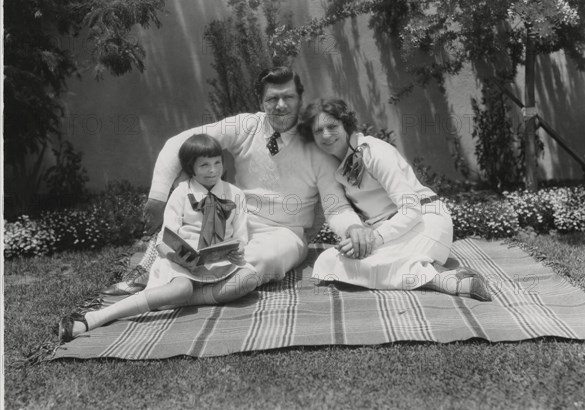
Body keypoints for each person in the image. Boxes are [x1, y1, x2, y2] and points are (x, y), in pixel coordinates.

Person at [102, 67, 373, 298]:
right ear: (261, 102)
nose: (281, 105)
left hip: (285, 233)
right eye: (272, 99)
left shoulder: (315, 144)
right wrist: (158, 197)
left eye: (288, 97)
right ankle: (161, 266)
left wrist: (352, 228)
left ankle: (183, 290)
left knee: (263, 260)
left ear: (300, 98)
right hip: (233, 221)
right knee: (190, 179)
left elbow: (335, 206)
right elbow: (179, 144)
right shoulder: (246, 126)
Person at [58, 134, 250, 341]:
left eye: (217, 163)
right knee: (182, 286)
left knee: (249, 279)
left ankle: (172, 299)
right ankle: (93, 318)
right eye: (204, 165)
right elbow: (163, 242)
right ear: (191, 168)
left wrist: (237, 254)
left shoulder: (235, 194)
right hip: (181, 264)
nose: (213, 170)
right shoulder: (181, 193)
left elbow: (240, 238)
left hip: (218, 265)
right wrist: (179, 258)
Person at [297, 98, 492, 301]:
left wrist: (374, 238)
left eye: (332, 126)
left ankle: (449, 282)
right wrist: (355, 231)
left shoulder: (374, 152)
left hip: (425, 222)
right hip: (387, 232)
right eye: (318, 130)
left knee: (370, 265)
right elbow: (337, 208)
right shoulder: (326, 164)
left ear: (345, 124)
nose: (326, 135)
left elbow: (411, 210)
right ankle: (441, 274)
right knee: (330, 261)